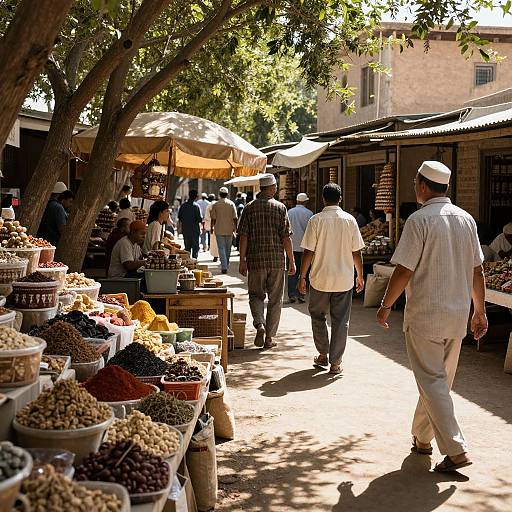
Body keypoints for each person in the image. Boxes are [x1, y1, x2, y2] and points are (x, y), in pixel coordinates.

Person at [377, 161, 487, 473]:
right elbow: (476, 270)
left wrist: (386, 305)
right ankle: (422, 438)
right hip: (456, 317)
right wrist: (478, 311)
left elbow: (404, 269)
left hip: (426, 316)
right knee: (437, 382)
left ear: (423, 186)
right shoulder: (466, 220)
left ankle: (455, 450)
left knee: (433, 382)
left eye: (415, 182)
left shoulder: (419, 220)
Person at [298, 183, 365, 375]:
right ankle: (335, 362)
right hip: (344, 279)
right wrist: (360, 275)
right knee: (341, 320)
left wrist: (302, 277)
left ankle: (323, 353)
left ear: (323, 199)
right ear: (341, 199)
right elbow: (356, 251)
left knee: (317, 317)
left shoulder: (316, 220)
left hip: (320, 278)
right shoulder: (350, 220)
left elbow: (308, 251)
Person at [238, 173, 295, 349]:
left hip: (255, 260)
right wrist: (292, 261)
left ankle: (259, 323)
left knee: (256, 295)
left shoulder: (249, 208)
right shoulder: (280, 208)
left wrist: (242, 260)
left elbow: (243, 236)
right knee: (275, 299)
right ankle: (269, 338)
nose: (276, 189)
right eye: (275, 186)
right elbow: (286, 237)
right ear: (271, 188)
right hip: (277, 261)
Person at [286, 193, 313, 304]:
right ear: (305, 201)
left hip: (291, 246)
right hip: (305, 247)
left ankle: (292, 294)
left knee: (292, 270)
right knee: (304, 272)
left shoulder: (290, 212)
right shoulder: (309, 213)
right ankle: (302, 294)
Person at [211, 187, 237, 274]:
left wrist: (211, 227)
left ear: (219, 194)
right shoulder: (231, 204)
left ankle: (224, 266)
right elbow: (235, 218)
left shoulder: (216, 204)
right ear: (227, 194)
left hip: (219, 229)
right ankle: (226, 265)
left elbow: (213, 218)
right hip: (229, 229)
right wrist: (235, 228)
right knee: (228, 249)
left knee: (221, 248)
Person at [178, 190, 202, 258]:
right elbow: (199, 219)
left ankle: (188, 264)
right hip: (195, 231)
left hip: (186, 230)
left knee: (187, 249)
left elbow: (180, 217)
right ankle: (194, 263)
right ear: (195, 197)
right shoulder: (196, 206)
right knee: (195, 249)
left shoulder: (183, 206)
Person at [204, 194, 219, 262]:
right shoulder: (219, 205)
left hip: (212, 225)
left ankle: (215, 256)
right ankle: (220, 255)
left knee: (213, 241)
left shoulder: (209, 206)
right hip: (220, 225)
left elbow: (207, 216)